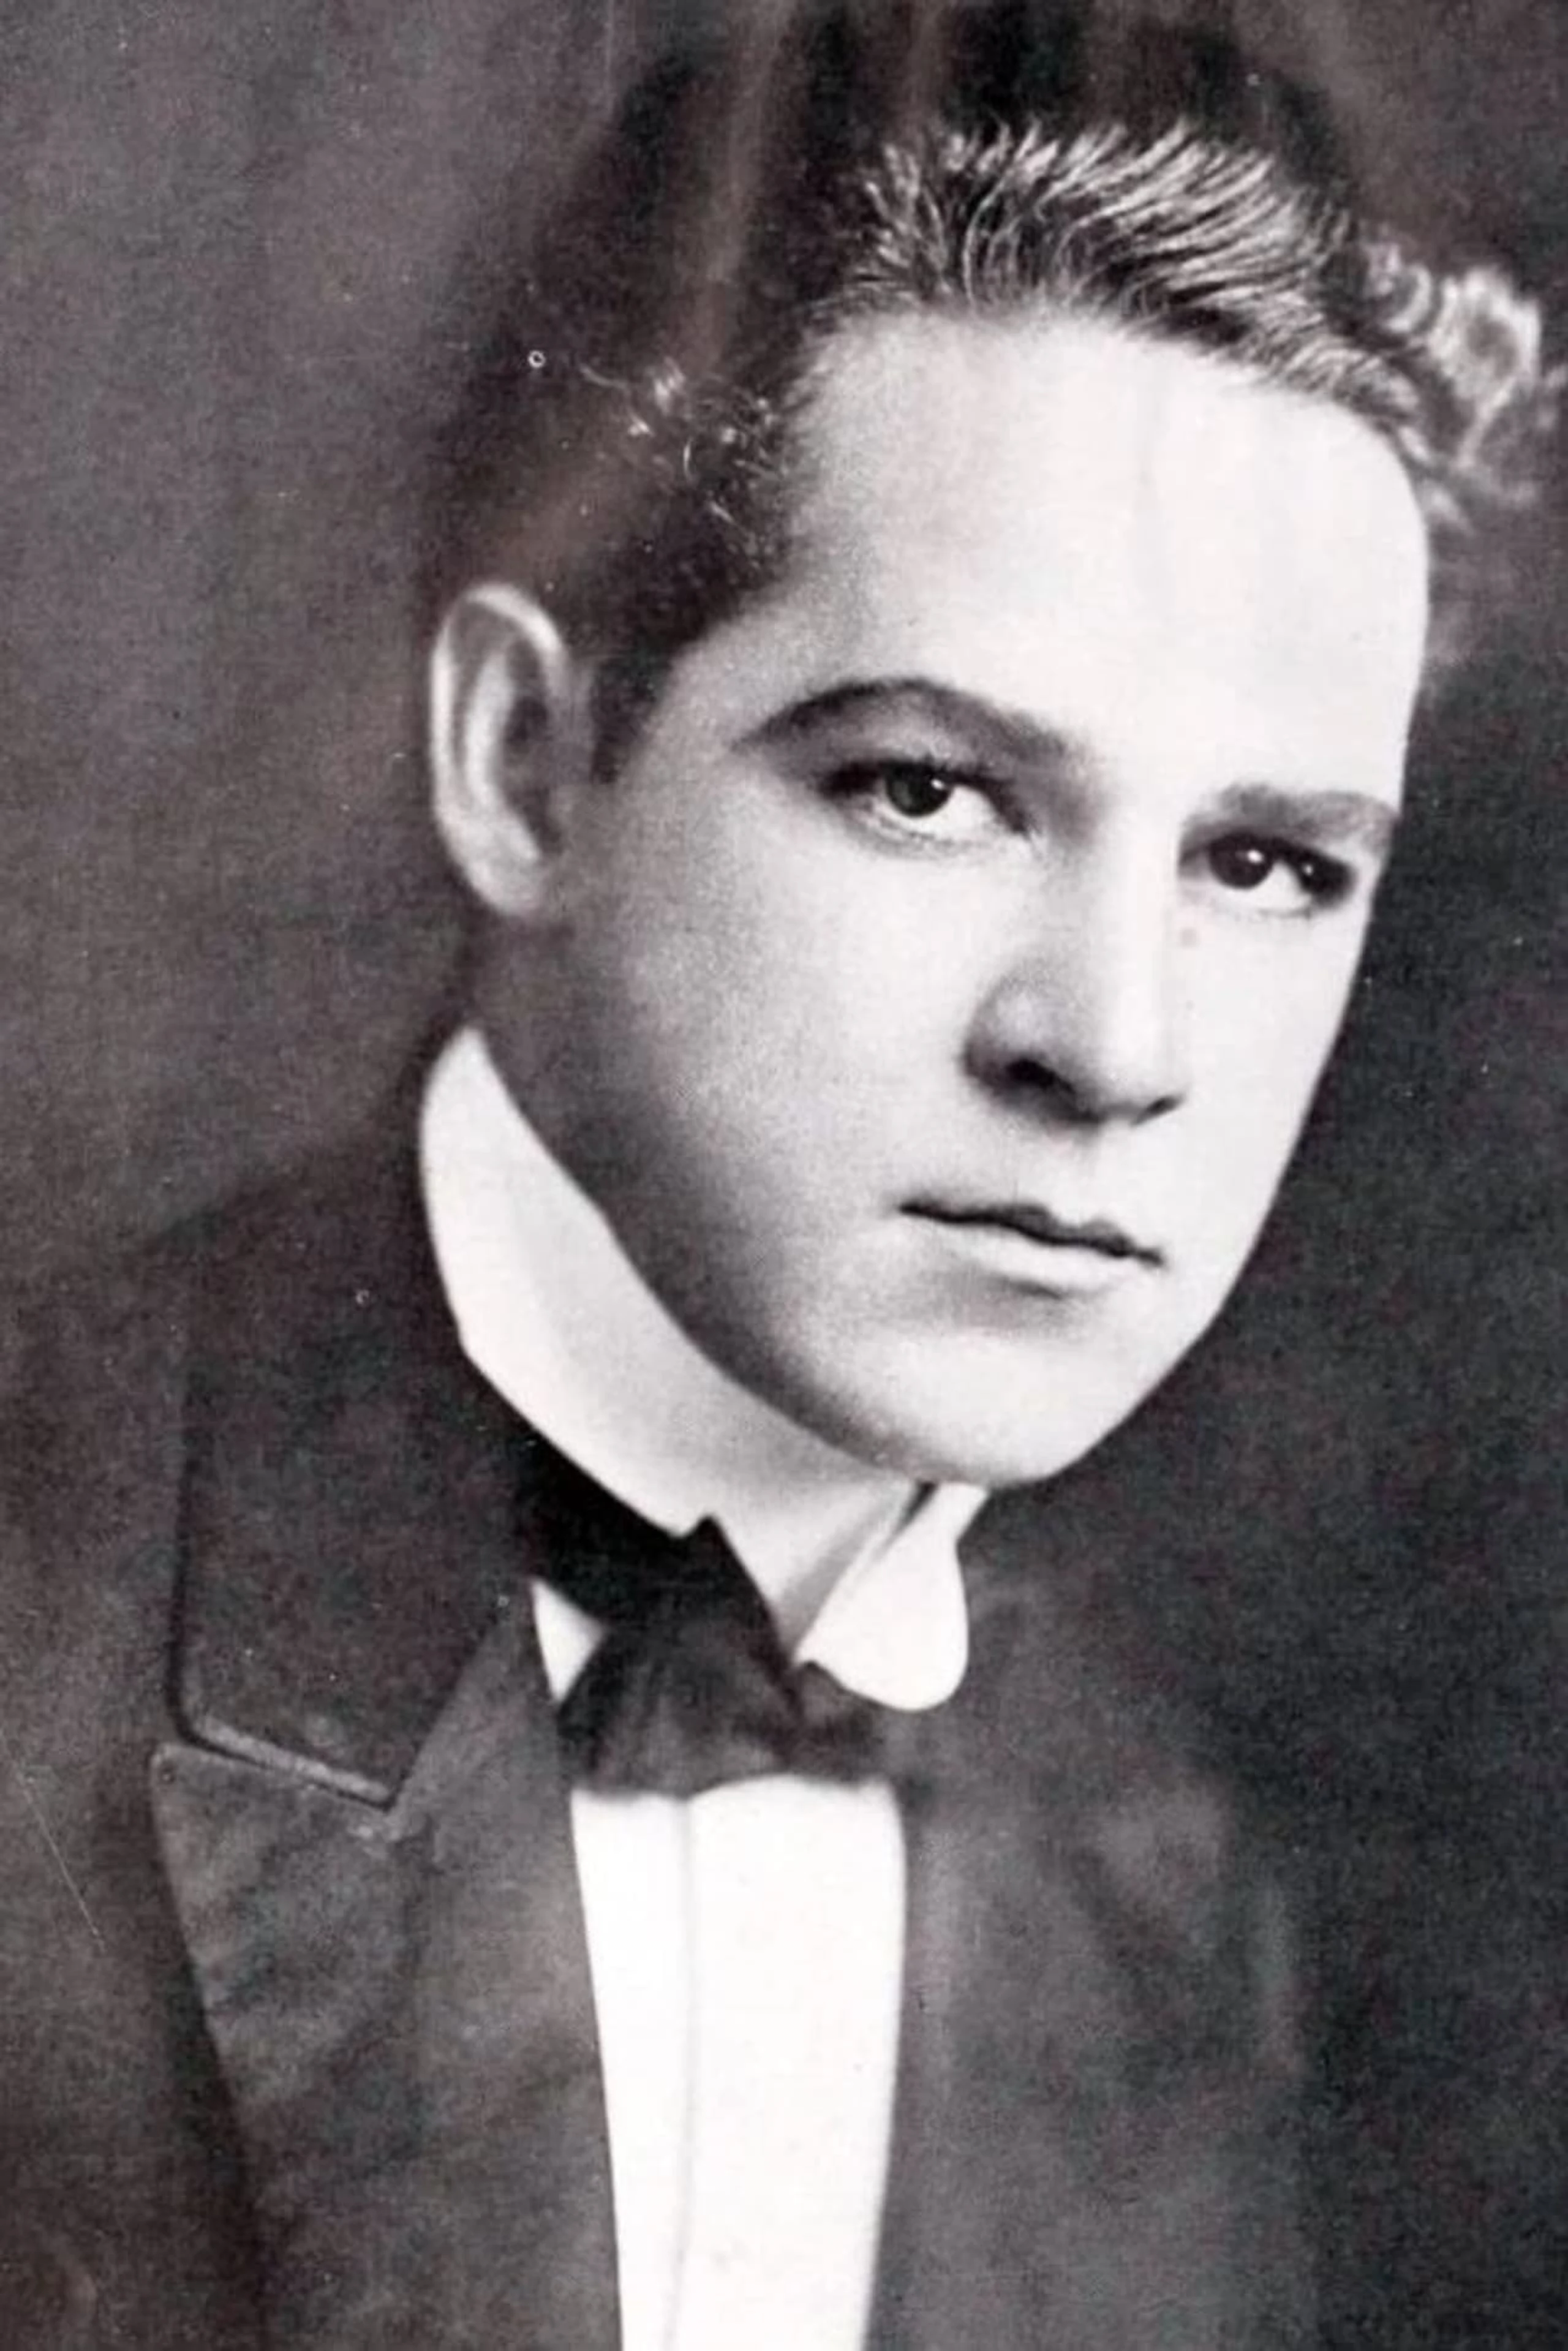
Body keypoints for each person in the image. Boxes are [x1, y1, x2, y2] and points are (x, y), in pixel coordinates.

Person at [0, 4, 1553, 2345]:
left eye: (1265, 864)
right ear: (527, 763)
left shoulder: (1168, 1878)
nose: (1118, 1048)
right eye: (931, 787)